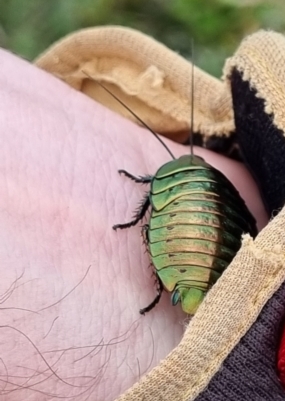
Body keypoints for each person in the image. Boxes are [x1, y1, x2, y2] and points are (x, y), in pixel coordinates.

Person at [0, 47, 268, 400]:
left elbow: (149, 211)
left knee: (146, 225)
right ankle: (168, 288)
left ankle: (164, 288)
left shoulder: (162, 186)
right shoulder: (215, 183)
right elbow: (234, 216)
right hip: (236, 274)